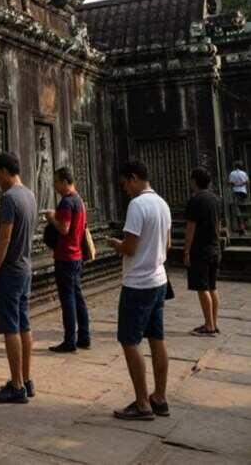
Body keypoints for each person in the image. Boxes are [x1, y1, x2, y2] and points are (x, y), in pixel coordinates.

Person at [108, 160, 171, 421]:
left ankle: (143, 403)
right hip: (159, 279)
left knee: (130, 341)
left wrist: (116, 244)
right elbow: (167, 244)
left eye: (125, 185)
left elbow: (130, 248)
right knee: (157, 338)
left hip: (138, 284)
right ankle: (160, 397)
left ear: (133, 178)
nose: (125, 190)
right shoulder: (162, 204)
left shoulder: (137, 205)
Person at [0, 152, 36, 404]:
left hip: (10, 270)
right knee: (24, 324)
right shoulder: (29, 194)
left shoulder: (9, 198)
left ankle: (16, 386)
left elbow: (4, 238)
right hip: (26, 267)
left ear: (5, 172)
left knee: (11, 328)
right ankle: (25, 379)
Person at [43, 167, 91, 352]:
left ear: (64, 181)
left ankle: (70, 340)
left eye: (56, 182)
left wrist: (51, 218)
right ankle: (84, 336)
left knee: (68, 299)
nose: (54, 185)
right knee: (77, 297)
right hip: (77, 255)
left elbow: (63, 229)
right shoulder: (79, 200)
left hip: (66, 255)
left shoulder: (66, 202)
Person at [184, 168, 221, 337]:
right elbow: (218, 224)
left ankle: (209, 327)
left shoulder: (196, 200)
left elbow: (190, 228)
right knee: (212, 287)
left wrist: (186, 251)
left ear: (194, 181)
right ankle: (212, 322)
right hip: (214, 247)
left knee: (202, 287)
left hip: (200, 249)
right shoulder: (215, 199)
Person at [228, 160, 248, 234]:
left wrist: (235, 184)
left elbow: (230, 182)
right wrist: (241, 184)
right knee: (243, 209)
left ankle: (241, 226)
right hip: (243, 192)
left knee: (237, 210)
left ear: (235, 166)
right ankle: (244, 226)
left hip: (236, 192)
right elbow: (247, 182)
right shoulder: (244, 173)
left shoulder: (232, 173)